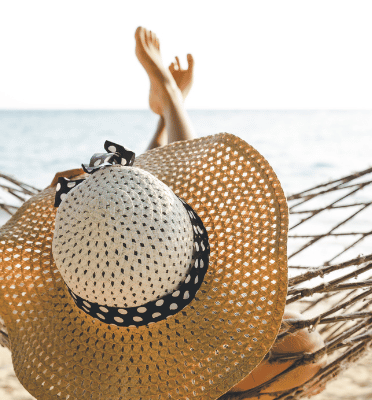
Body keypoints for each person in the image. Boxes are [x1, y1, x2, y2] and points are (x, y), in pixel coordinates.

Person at [133, 26, 327, 398]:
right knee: (164, 205)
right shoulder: (284, 350)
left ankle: (166, 111)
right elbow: (184, 181)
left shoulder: (98, 271)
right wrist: (170, 94)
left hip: (160, 340)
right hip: (245, 363)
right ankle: (168, 105)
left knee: (140, 209)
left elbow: (143, 209)